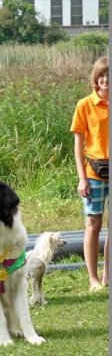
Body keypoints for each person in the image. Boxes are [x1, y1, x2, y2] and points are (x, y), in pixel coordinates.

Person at [70, 56, 109, 290]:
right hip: (94, 172)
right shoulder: (84, 105)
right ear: (96, 78)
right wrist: (82, 178)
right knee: (94, 224)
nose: (106, 79)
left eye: (109, 75)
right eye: (102, 75)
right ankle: (93, 278)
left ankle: (107, 275)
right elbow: (78, 144)